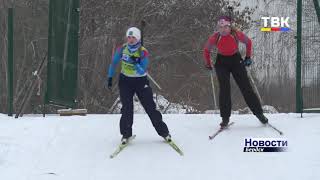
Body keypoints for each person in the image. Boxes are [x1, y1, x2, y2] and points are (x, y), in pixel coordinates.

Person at [106, 27, 171, 143]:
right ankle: (126, 134)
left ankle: (164, 132)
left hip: (140, 81)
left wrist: (136, 63)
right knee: (127, 108)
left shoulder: (143, 51)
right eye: (129, 37)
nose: (130, 40)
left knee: (150, 107)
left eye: (133, 37)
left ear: (138, 38)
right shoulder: (122, 49)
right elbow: (113, 63)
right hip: (125, 81)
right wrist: (110, 78)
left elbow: (143, 70)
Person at [203, 16, 269, 128]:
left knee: (245, 87)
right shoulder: (215, 37)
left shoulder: (236, 34)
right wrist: (208, 64)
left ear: (230, 27)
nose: (223, 29)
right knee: (224, 89)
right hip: (221, 62)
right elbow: (206, 50)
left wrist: (248, 57)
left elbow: (248, 42)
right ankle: (225, 118)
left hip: (235, 60)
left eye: (226, 27)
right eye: (220, 27)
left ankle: (259, 114)